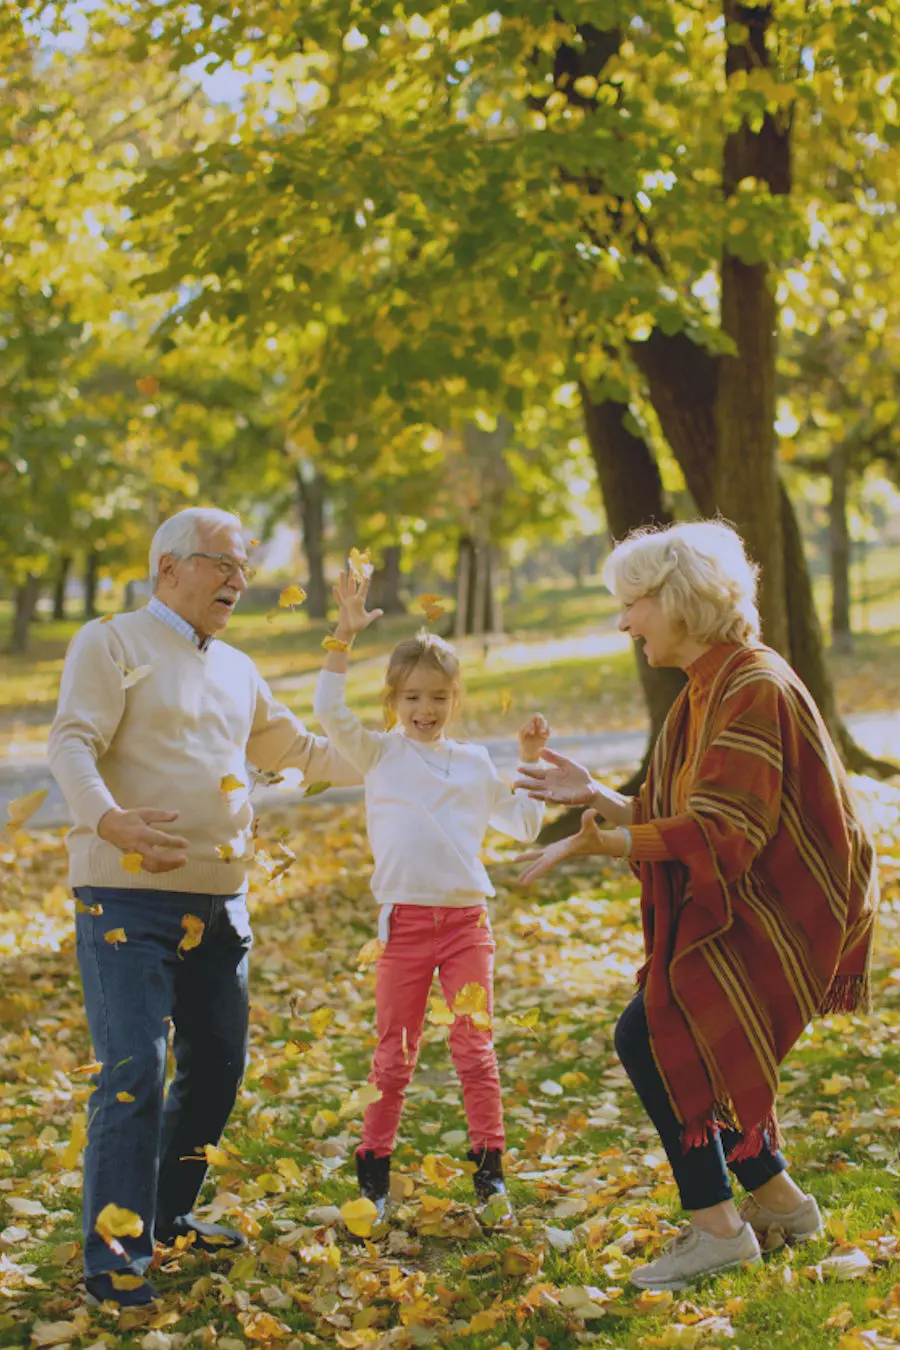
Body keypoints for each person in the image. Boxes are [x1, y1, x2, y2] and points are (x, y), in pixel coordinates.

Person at [515, 520, 878, 1291]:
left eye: (632, 603)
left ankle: (717, 1227)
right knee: (671, 1029)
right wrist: (602, 801)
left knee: (653, 1030)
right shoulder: (710, 686)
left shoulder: (751, 686)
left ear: (678, 599)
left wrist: (604, 844)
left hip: (787, 904)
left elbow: (725, 831)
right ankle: (781, 1203)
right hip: (757, 893)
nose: (623, 622)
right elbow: (688, 804)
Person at [48, 507, 360, 1307]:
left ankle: (170, 1216)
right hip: (124, 901)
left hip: (220, 908)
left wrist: (406, 751)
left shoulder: (236, 667)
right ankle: (115, 1259)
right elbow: (73, 743)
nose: (239, 579)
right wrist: (106, 818)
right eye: (223, 563)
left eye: (244, 567)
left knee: (217, 1068)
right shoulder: (110, 643)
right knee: (134, 1073)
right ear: (168, 568)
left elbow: (300, 753)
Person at [313, 566, 549, 1225]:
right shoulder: (378, 754)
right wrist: (342, 634)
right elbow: (328, 710)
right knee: (394, 1056)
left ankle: (490, 1179)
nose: (424, 710)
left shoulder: (472, 762)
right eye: (412, 697)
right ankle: (373, 1182)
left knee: (475, 1047)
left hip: (467, 926)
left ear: (455, 699)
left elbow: (523, 823)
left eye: (438, 698)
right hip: (407, 930)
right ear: (392, 699)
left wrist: (529, 758)